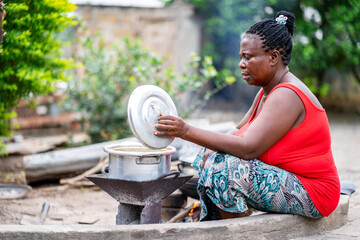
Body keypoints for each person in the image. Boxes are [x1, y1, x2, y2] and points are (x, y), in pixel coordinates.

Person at [154, 10, 340, 221]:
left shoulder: (287, 95)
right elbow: (237, 131)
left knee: (223, 168)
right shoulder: (267, 91)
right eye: (241, 57)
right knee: (213, 156)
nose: (241, 64)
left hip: (313, 193)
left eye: (248, 57)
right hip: (292, 181)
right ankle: (213, 222)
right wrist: (208, 151)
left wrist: (185, 130)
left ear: (273, 58)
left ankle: (231, 231)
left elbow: (248, 147)